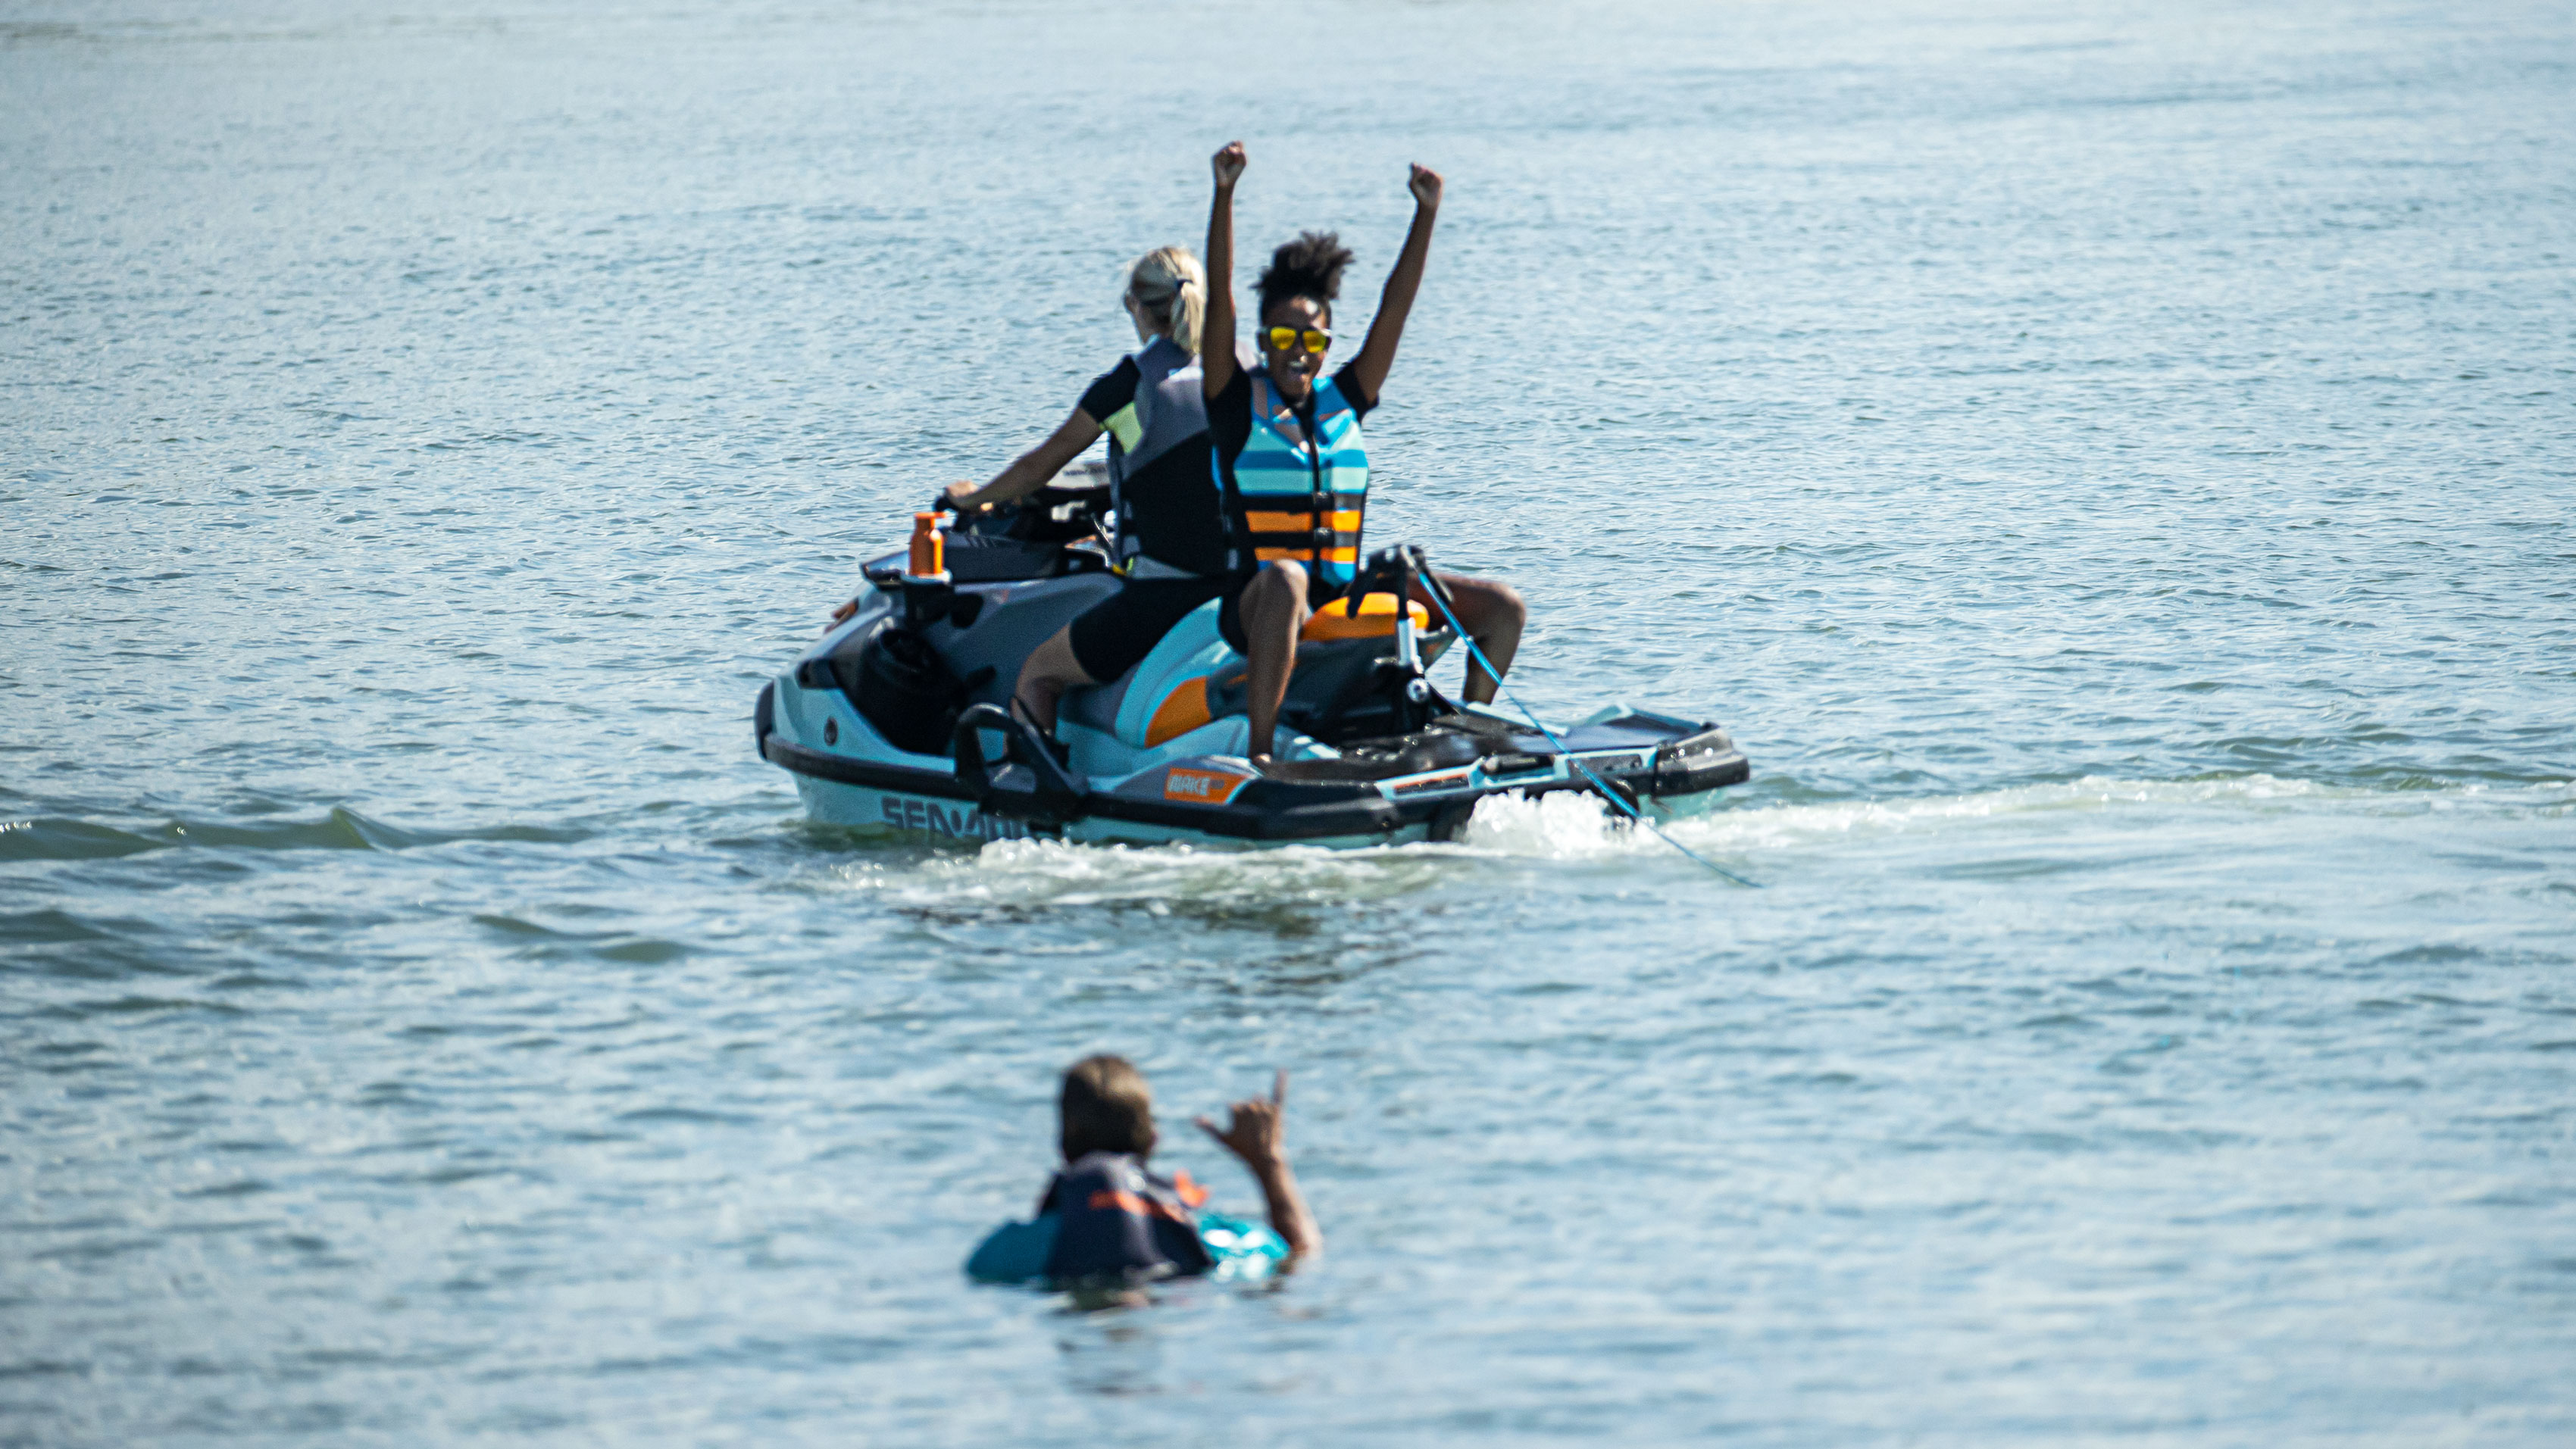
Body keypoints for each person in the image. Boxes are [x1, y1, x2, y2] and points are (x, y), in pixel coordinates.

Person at [1200, 140, 1529, 764]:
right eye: (1282, 337)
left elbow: (1394, 309)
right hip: (1259, 602)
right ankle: (1263, 755)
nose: (1298, 350)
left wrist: (1426, 214)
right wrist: (1224, 195)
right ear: (1262, 343)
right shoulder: (1235, 402)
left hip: (1340, 591)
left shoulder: (1345, 400)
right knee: (1287, 577)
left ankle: (1476, 736)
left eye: (1313, 339)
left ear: (1326, 344)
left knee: (1503, 607)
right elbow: (1221, 300)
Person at [936, 246, 1246, 737]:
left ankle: (1034, 797)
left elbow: (1039, 466)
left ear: (1134, 305)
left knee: (1039, 672)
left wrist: (972, 499)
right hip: (1243, 588)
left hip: (1166, 595)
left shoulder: (1130, 384)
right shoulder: (1244, 370)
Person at [968, 1055, 1320, 1289]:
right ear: (1153, 1140)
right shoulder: (1204, 1237)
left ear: (1062, 1140)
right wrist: (1268, 1164)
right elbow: (1298, 1256)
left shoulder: (1006, 1252)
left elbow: (978, 1272)